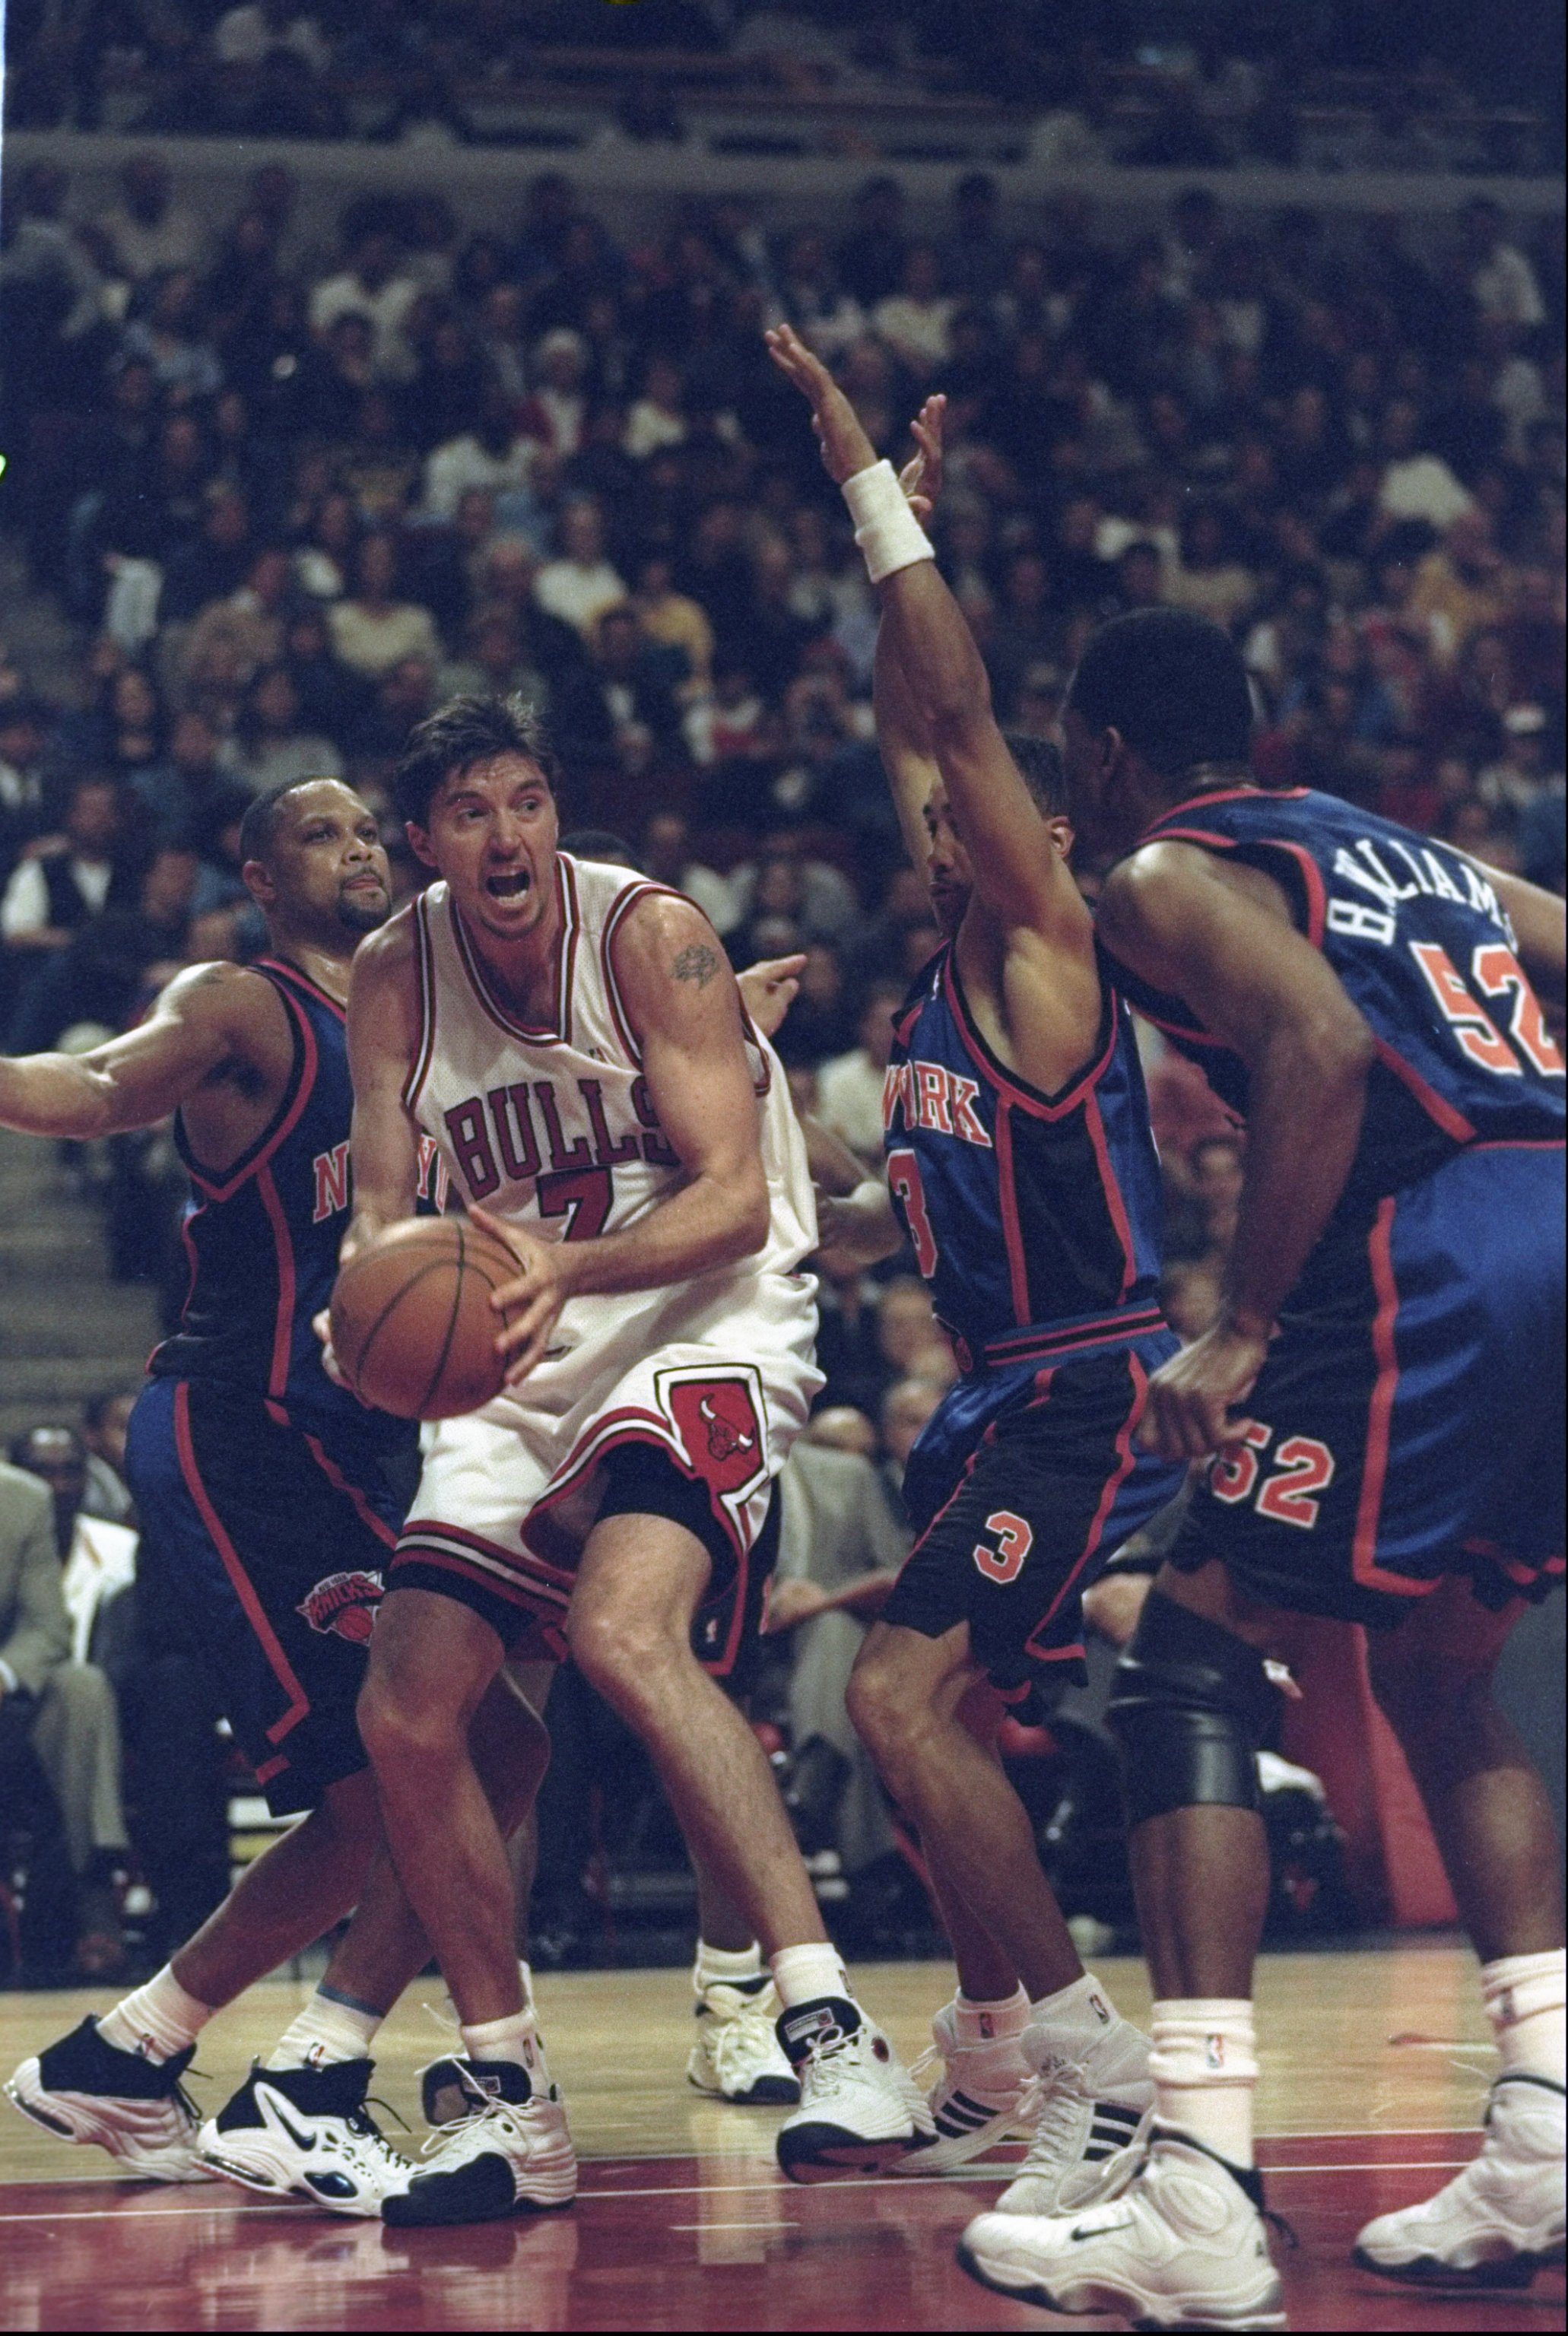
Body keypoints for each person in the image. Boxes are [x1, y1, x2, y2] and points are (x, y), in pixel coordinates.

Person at [957, 605, 1565, 2324]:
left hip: (1429, 1244)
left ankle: (1203, 2188)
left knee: (1184, 1661)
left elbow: (1318, 1049)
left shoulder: (1155, 874)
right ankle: (1543, 2123)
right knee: (1442, 1674)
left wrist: (1233, 1330)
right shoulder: (1401, 849)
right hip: (1548, 1211)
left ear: (1101, 755)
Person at [338, 691, 930, 2226]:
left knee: (620, 1634)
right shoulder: (390, 972)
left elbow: (733, 1199)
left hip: (695, 1313)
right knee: (408, 1711)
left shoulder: (650, 936)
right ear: (423, 845)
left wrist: (555, 1269)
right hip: (515, 1339)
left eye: (526, 801)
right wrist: (370, 1299)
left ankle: (820, 2022)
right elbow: (384, 1209)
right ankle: (504, 2089)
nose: (507, 834)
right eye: (470, 814)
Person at [767, 330, 1183, 2206]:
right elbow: (886, 1223)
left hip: (1084, 1389)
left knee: (895, 1708)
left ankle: (1094, 2073)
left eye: (975, 803)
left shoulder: (1045, 947)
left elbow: (947, 724)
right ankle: (998, 2045)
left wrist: (874, 503)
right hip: (993, 1396)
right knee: (924, 1717)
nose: (938, 813)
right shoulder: (937, 990)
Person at [2, 776, 541, 2217]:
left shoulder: (418, 1036)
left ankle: (130, 2055)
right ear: (256, 873)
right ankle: (306, 2087)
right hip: (244, 1432)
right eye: (321, 833)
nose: (359, 848)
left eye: (371, 828)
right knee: (400, 1776)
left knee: (497, 1753)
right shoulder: (241, 1005)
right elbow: (108, 1085)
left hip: (357, 1449)